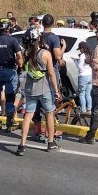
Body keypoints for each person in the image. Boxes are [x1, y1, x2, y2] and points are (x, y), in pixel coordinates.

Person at [15, 27, 62, 155]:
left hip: (30, 89)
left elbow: (20, 66)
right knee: (49, 114)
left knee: (28, 115)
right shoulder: (45, 54)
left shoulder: (25, 53)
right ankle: (50, 142)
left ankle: (22, 145)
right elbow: (52, 74)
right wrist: (56, 90)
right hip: (45, 88)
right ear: (39, 38)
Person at [0, 19, 23, 131]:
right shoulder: (12, 40)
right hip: (10, 70)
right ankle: (10, 119)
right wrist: (20, 66)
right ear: (8, 29)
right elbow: (19, 56)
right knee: (10, 94)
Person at [32, 14, 64, 139]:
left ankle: (37, 127)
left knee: (37, 99)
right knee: (50, 99)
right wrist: (63, 48)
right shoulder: (54, 38)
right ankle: (49, 130)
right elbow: (57, 56)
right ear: (53, 23)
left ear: (43, 23)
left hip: (37, 69)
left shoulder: (38, 37)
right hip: (50, 68)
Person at [74, 41, 93, 115]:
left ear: (82, 48)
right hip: (90, 75)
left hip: (83, 76)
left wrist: (76, 61)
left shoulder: (82, 55)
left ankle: (83, 110)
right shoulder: (90, 54)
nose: (79, 50)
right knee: (88, 93)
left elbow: (80, 67)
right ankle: (89, 109)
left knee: (82, 94)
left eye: (80, 49)